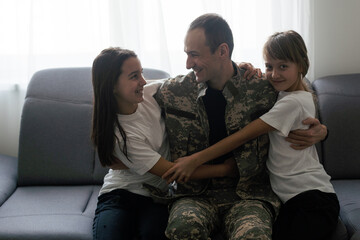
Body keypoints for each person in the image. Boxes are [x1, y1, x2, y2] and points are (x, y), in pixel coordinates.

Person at [152, 14, 328, 240]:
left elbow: (302, 98)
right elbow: (135, 93)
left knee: (254, 236)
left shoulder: (264, 87)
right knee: (182, 230)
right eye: (187, 54)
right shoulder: (173, 91)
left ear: (223, 51)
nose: (187, 64)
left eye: (194, 55)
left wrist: (322, 131)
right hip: (194, 196)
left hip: (249, 196)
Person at [91, 47, 255, 240]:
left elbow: (195, 78)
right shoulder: (119, 135)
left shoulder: (150, 93)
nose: (143, 81)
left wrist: (237, 69)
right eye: (134, 76)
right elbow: (170, 172)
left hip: (156, 197)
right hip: (119, 195)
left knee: (153, 234)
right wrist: (226, 169)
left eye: (142, 73)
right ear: (111, 85)